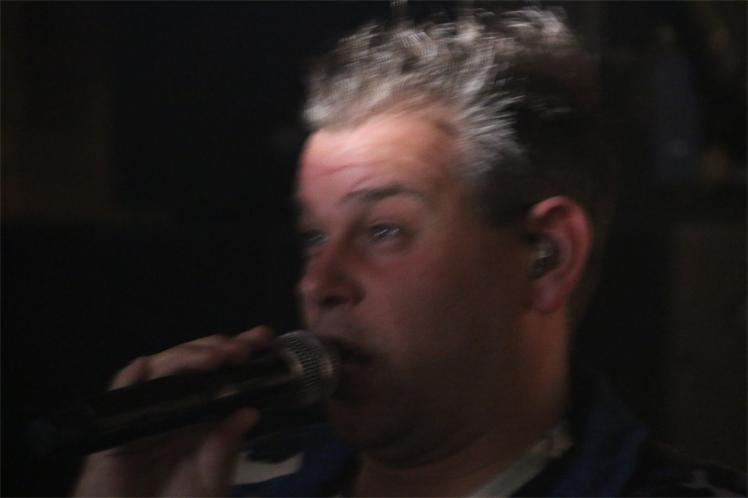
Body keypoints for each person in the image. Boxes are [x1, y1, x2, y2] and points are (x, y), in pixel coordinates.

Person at [75, 8, 745, 497]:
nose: (318, 283)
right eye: (313, 237)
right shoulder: (226, 483)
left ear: (545, 255)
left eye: (382, 231)